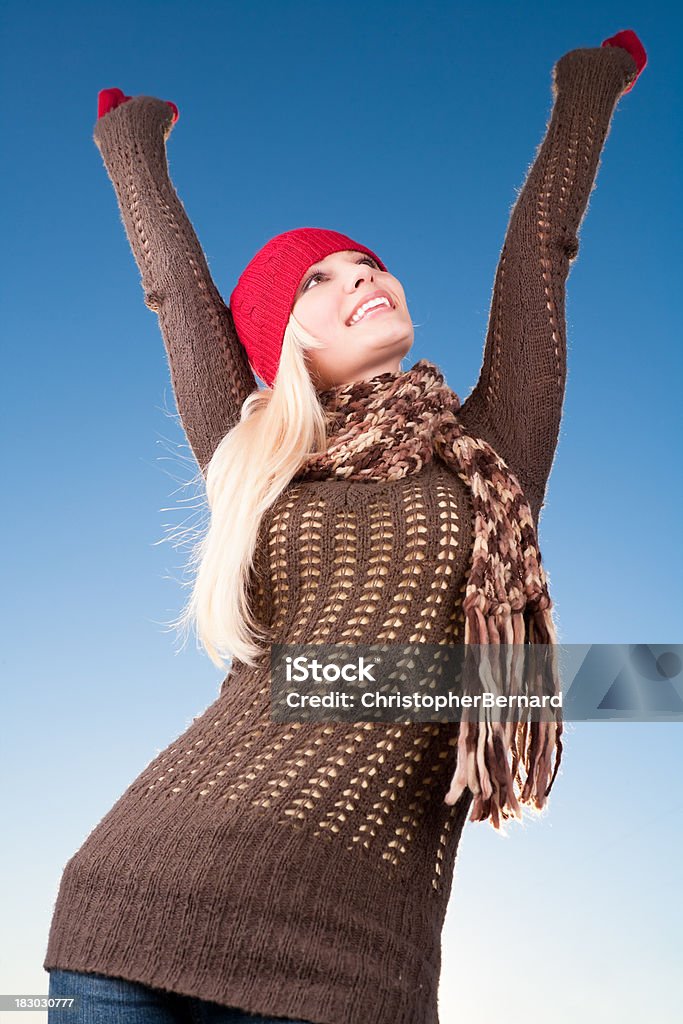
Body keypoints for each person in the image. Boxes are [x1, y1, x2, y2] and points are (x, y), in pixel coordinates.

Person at [43, 29, 647, 1024]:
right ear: (284, 344)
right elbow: (174, 300)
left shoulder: (487, 450)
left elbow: (544, 244)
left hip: (350, 960)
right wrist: (130, 146)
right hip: (130, 905)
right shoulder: (258, 462)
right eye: (314, 282)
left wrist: (582, 94)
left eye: (362, 262)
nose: (358, 276)